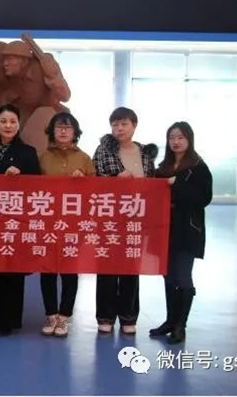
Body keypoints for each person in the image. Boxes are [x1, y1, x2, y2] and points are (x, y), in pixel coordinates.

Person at [92, 106, 157, 334]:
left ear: (134, 125)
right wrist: (115, 180)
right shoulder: (103, 150)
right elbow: (93, 181)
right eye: (115, 124)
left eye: (124, 124)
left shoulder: (145, 153)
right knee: (107, 267)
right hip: (109, 217)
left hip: (136, 218)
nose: (119, 128)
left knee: (130, 267)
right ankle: (105, 316)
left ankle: (129, 317)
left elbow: (152, 184)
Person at [0, 104, 40, 336]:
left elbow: (37, 186)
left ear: (19, 125)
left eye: (13, 121)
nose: (8, 126)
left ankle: (13, 319)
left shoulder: (28, 152)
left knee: (14, 269)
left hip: (17, 220)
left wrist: (21, 176)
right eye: (3, 121)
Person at [151, 121, 212, 344]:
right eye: (172, 138)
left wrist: (177, 184)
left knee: (183, 275)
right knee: (167, 274)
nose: (176, 142)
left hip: (187, 229)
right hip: (164, 228)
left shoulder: (198, 167)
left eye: (180, 137)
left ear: (189, 140)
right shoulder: (163, 167)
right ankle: (170, 320)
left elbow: (204, 198)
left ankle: (180, 326)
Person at [38, 112, 95, 337]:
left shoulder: (84, 158)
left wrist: (85, 181)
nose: (63, 131)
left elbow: (97, 191)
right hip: (47, 222)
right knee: (48, 270)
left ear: (75, 132)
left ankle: (64, 317)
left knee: (70, 270)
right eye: (59, 127)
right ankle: (51, 314)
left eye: (68, 127)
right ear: (52, 132)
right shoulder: (43, 157)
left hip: (73, 223)